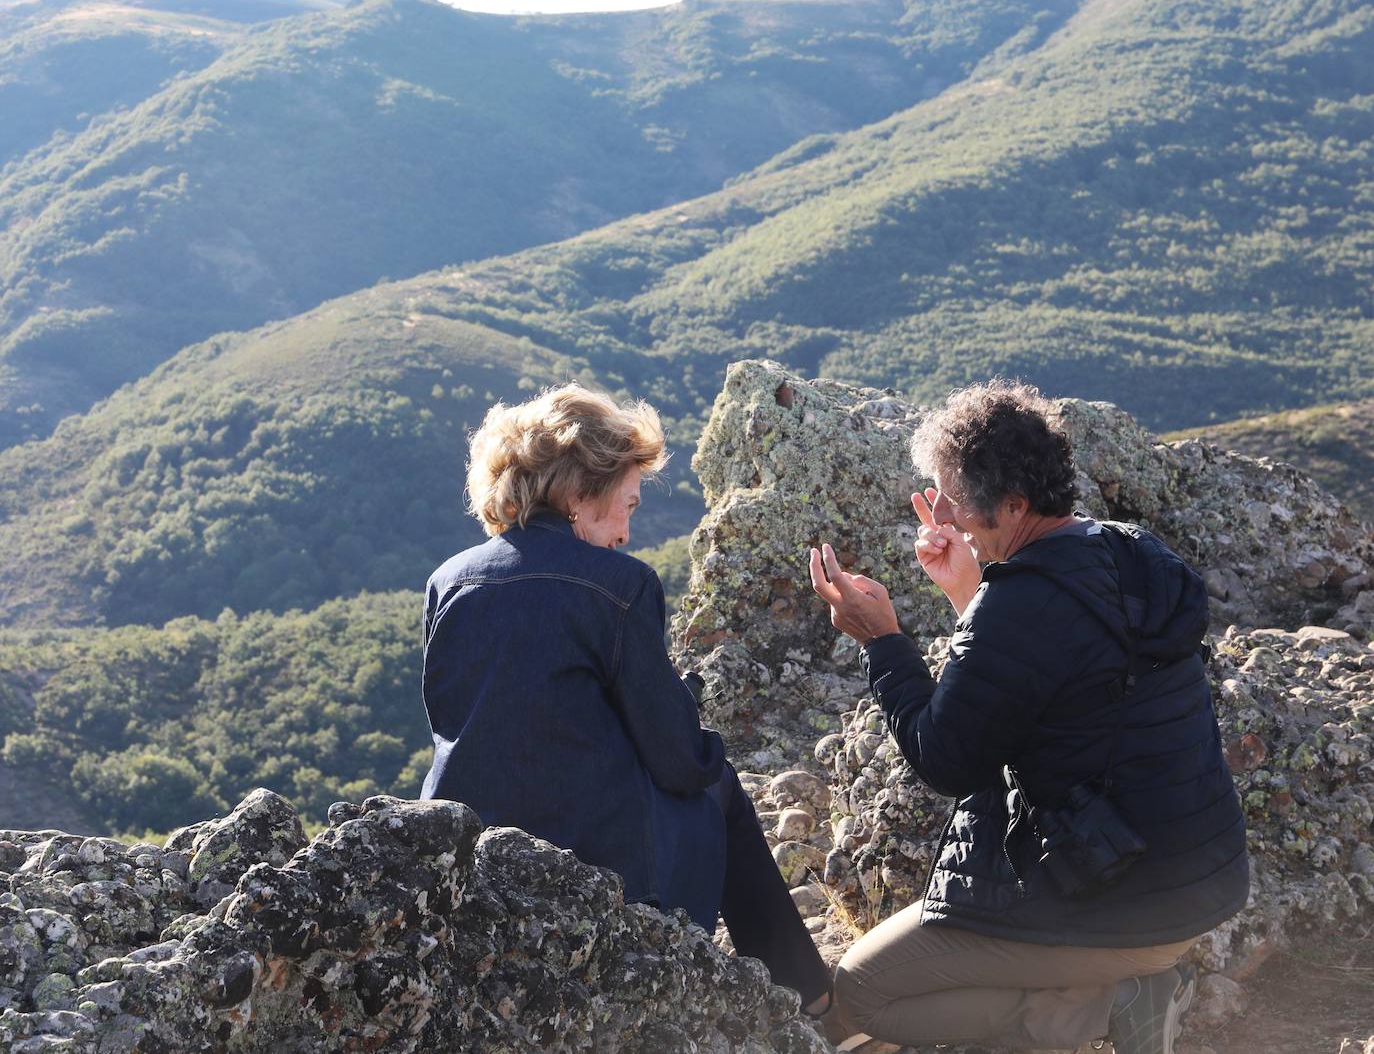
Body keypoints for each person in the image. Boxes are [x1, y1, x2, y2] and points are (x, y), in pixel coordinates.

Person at [809, 380, 1248, 1054]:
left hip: (1123, 904)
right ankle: (1121, 986)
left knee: (865, 991)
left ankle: (1106, 1006)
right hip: (1199, 879)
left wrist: (882, 642)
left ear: (1013, 505)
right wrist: (970, 591)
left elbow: (947, 758)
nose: (946, 519)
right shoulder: (1129, 552)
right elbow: (1052, 675)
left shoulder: (1020, 607)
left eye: (955, 503)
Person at [420, 383, 832, 1013]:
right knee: (717, 782)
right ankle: (808, 1002)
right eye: (628, 506)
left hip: (463, 857)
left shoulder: (448, 582)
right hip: (595, 868)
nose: (627, 533)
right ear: (581, 493)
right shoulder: (620, 586)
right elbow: (677, 759)